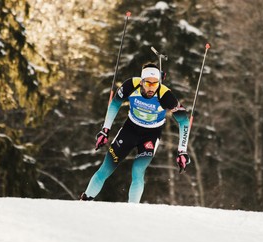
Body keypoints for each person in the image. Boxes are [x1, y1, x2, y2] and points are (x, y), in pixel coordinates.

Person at [80, 62, 191, 203]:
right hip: (130, 129)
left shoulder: (165, 95)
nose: (152, 88)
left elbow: (184, 121)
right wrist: (105, 130)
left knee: (138, 172)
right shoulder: (131, 85)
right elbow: (115, 104)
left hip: (151, 135)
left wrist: (182, 151)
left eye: (155, 84)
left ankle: (132, 211)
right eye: (148, 84)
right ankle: (84, 202)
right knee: (105, 169)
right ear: (141, 81)